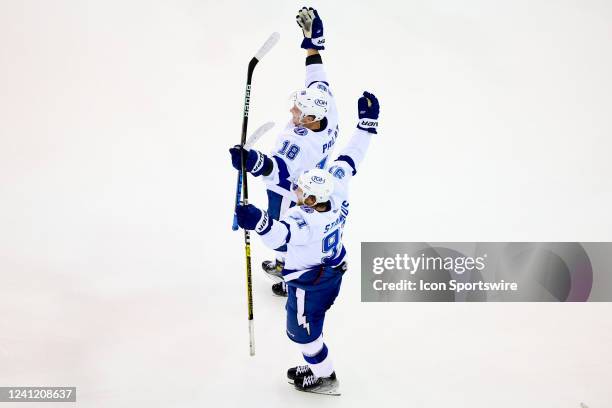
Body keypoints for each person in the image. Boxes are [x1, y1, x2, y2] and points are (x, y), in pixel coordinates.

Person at [233, 91, 380, 393]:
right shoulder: (335, 186)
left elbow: (279, 235)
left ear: (311, 200)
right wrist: (366, 125)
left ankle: (324, 375)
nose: (296, 193)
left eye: (300, 192)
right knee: (310, 324)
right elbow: (352, 155)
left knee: (303, 334)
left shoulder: (304, 221)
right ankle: (317, 363)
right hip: (331, 269)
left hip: (309, 283)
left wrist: (255, 218)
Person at [230, 7, 339, 297]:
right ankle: (288, 265)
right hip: (313, 179)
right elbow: (317, 75)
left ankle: (288, 270)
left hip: (291, 188)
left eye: (299, 111)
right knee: (297, 226)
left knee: (283, 232)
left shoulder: (299, 143)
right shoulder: (328, 107)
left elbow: (276, 170)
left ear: (312, 119)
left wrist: (251, 161)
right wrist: (312, 44)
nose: (293, 110)